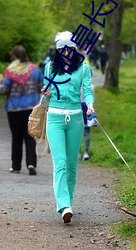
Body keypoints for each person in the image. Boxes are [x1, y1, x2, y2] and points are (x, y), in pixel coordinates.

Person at [41, 31, 94, 223]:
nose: (66, 52)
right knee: (60, 163)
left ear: (74, 49)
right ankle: (63, 205)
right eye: (62, 49)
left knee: (72, 164)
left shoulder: (83, 68)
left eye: (69, 49)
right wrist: (45, 92)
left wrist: (90, 104)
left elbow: (87, 90)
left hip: (76, 119)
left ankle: (68, 201)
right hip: (54, 118)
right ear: (57, 50)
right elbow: (47, 95)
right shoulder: (50, 67)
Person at [0, 45, 44, 175]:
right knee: (30, 137)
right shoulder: (35, 70)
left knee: (16, 138)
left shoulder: (10, 71)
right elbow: (42, 87)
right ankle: (31, 163)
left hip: (14, 109)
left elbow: (3, 90)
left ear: (14, 57)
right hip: (31, 109)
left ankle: (16, 166)